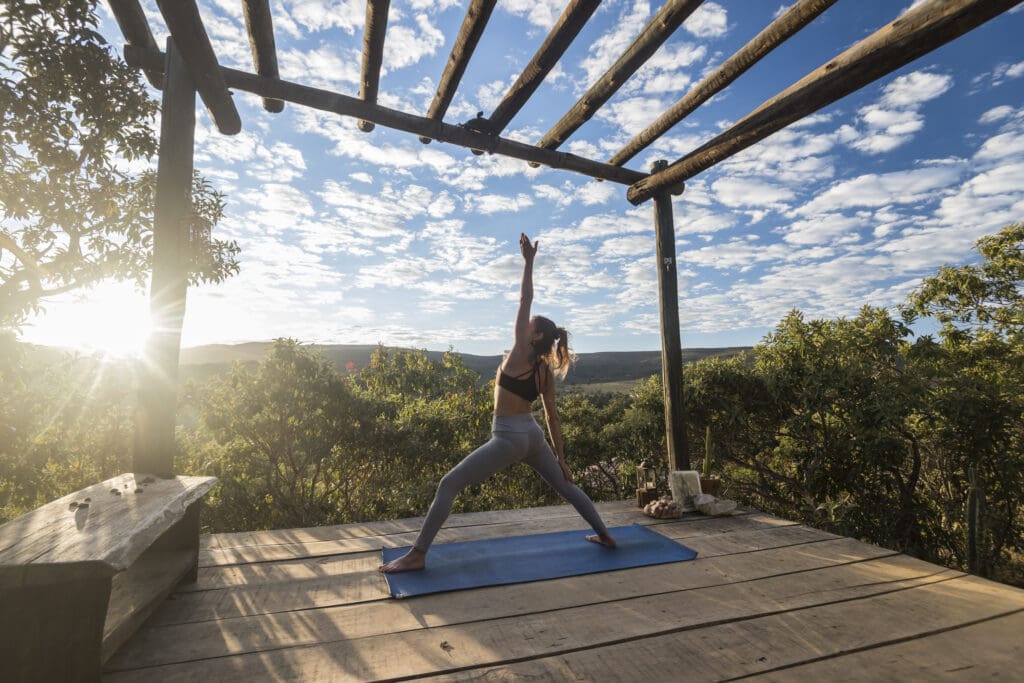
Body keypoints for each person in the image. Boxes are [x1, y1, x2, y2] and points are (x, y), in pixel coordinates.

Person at [379, 233, 617, 573]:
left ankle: (417, 555)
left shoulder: (521, 351)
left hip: (507, 437)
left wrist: (528, 262)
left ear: (533, 336)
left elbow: (525, 299)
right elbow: (552, 417)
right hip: (532, 435)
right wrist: (562, 460)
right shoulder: (545, 370)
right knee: (565, 485)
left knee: (449, 484)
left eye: (529, 325)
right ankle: (605, 535)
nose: (524, 324)